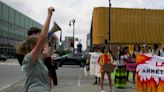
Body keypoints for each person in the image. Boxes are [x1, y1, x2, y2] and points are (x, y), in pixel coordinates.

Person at [17, 7, 54, 92]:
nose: (41, 46)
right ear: (31, 46)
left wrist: (52, 42)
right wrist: (49, 15)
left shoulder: (38, 59)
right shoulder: (29, 58)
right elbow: (42, 38)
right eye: (37, 44)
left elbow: (49, 53)